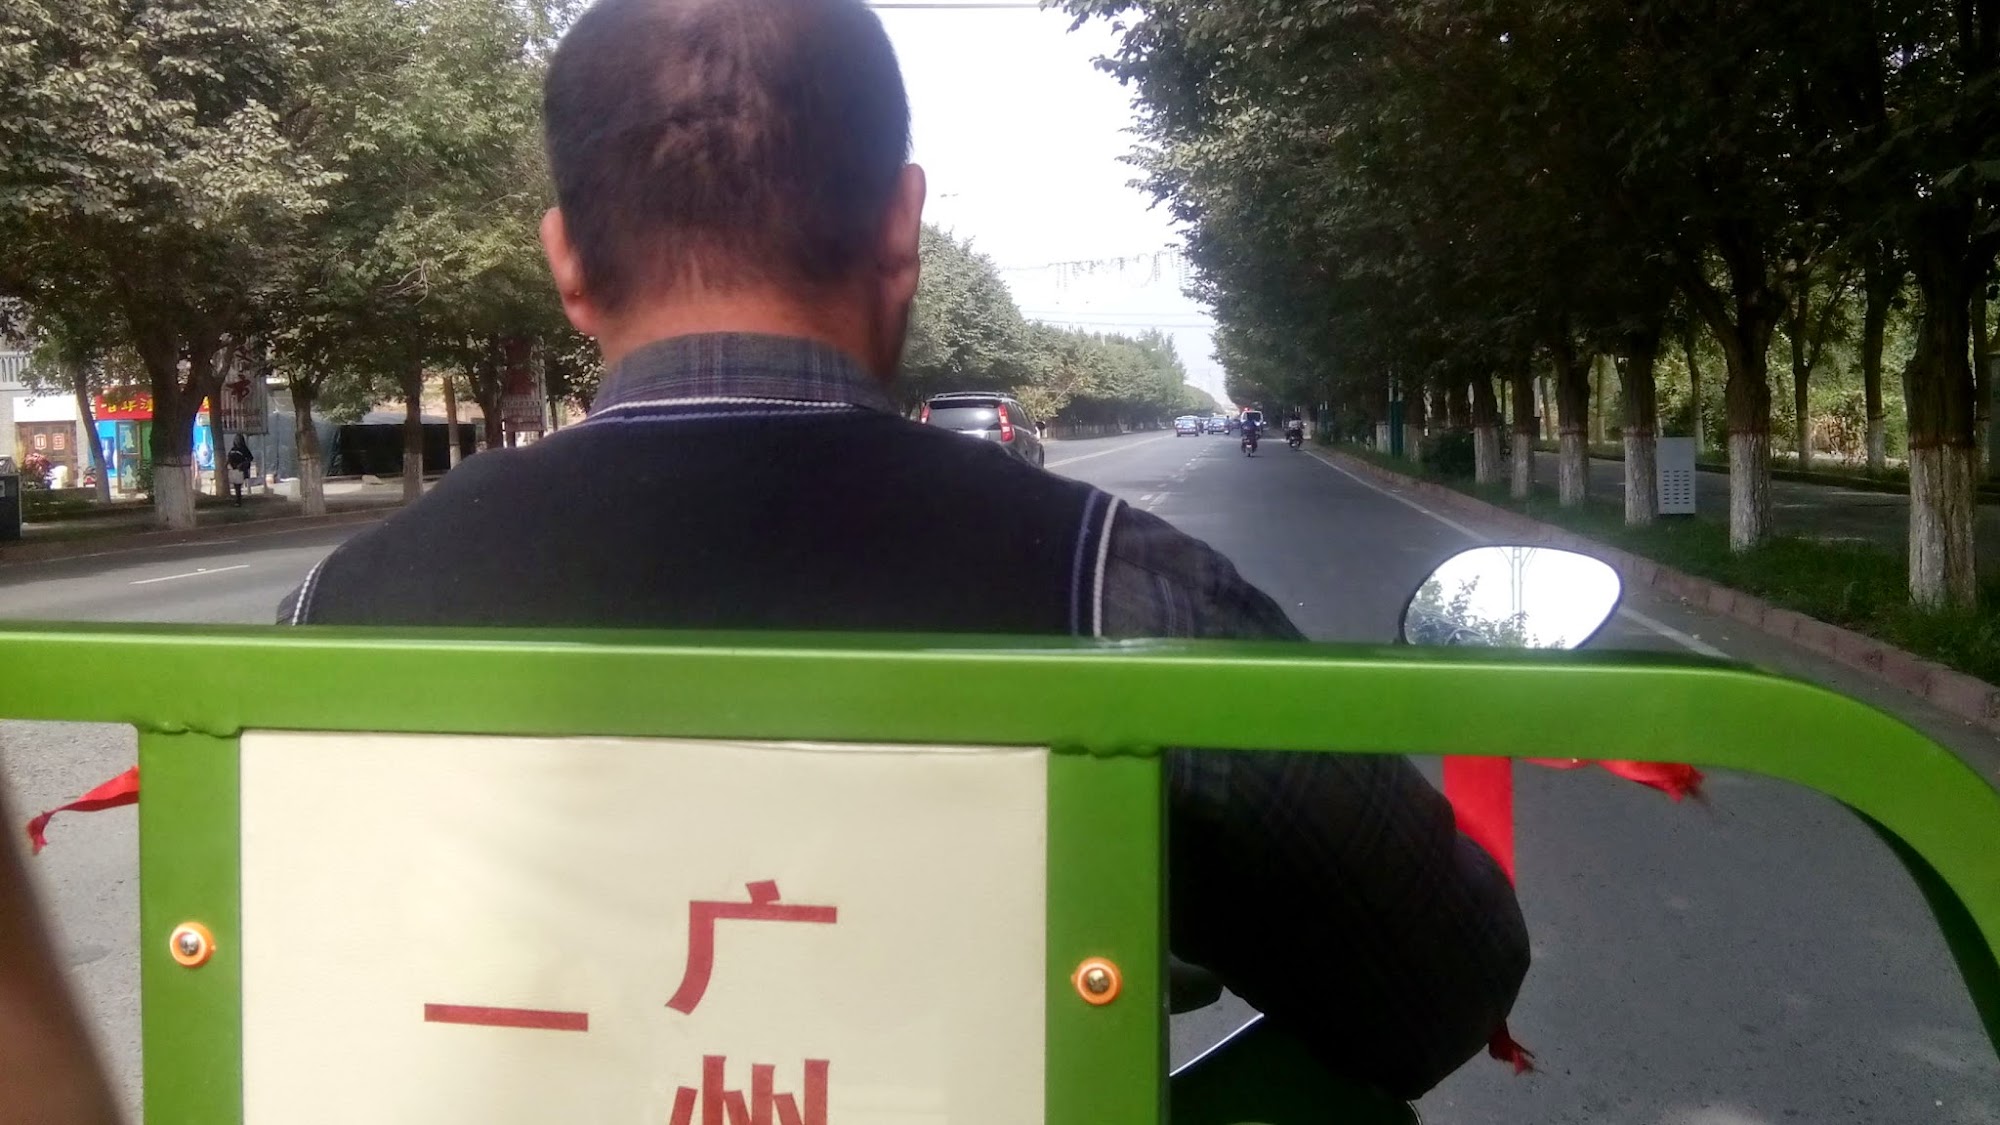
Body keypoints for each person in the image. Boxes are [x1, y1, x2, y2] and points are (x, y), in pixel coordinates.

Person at [278, 0, 1526, 1099]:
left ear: (565, 260)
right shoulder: (1111, 592)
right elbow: (1437, 991)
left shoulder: (336, 613)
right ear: (901, 224)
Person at [226, 435, 254, 506]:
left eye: (238, 439)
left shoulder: (244, 449)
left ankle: (238, 501)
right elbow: (229, 458)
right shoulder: (233, 449)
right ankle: (237, 499)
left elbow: (250, 458)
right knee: (235, 485)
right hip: (232, 469)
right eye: (236, 439)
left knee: (238, 485)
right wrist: (226, 465)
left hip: (239, 469)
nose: (236, 441)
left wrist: (243, 464)